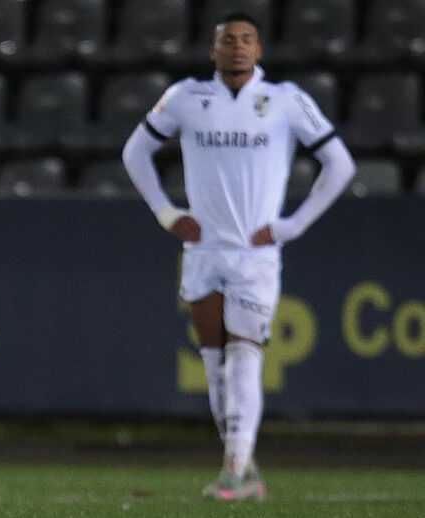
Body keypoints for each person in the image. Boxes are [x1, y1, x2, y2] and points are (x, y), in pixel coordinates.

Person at [122, 13, 355, 500]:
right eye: (228, 41)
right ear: (214, 52)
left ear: (260, 50)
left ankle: (232, 469)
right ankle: (245, 469)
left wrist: (294, 224)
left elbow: (340, 164)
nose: (238, 48)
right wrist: (165, 212)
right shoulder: (187, 97)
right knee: (214, 362)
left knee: (245, 356)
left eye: (247, 40)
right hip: (203, 249)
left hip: (254, 255)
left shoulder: (286, 101)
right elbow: (135, 151)